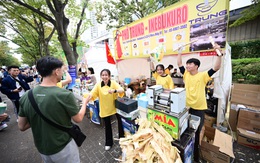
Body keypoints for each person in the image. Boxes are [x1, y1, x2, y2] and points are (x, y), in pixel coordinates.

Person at [18, 56, 88, 163]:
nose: (62, 73)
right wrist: (85, 102)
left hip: (42, 148)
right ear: (56, 71)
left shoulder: (26, 95)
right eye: (61, 70)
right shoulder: (64, 94)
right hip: (63, 146)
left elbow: (21, 126)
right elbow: (78, 118)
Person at [177, 43, 223, 163]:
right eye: (187, 63)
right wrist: (179, 52)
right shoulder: (186, 74)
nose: (187, 65)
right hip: (187, 106)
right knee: (186, 128)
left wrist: (219, 54)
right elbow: (179, 64)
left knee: (197, 129)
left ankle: (197, 148)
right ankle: (188, 146)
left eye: (190, 64)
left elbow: (216, 68)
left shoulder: (203, 75)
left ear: (196, 66)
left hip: (199, 107)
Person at [85, 69, 124, 151]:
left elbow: (121, 90)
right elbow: (92, 93)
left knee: (120, 121)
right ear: (101, 76)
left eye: (106, 75)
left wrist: (115, 90)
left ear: (109, 76)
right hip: (105, 108)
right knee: (108, 126)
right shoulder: (98, 85)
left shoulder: (113, 83)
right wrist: (87, 97)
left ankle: (122, 138)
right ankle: (109, 142)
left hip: (114, 106)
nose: (104, 76)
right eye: (103, 75)